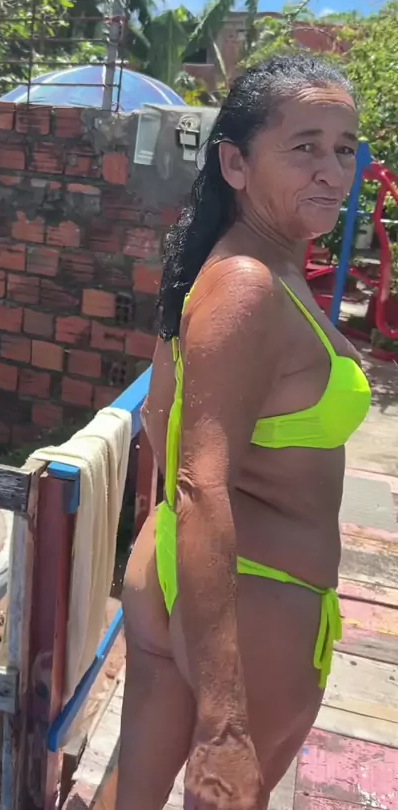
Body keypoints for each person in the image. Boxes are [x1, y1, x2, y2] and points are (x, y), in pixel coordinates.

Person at [111, 54, 372, 810]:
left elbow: (160, 419)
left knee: (130, 795)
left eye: (344, 148)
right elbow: (201, 482)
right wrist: (223, 724)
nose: (331, 171)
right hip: (249, 602)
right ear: (235, 163)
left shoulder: (237, 271)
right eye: (304, 146)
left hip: (189, 578)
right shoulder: (249, 285)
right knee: (227, 790)